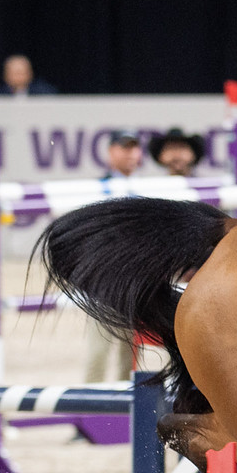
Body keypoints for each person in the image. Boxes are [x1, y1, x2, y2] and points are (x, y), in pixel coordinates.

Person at [81, 131, 149, 384]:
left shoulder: (147, 189)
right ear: (111, 153)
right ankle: (88, 417)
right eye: (125, 148)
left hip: (136, 280)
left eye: (134, 148)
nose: (131, 154)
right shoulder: (97, 190)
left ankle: (125, 416)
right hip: (105, 280)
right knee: (99, 352)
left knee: (129, 354)